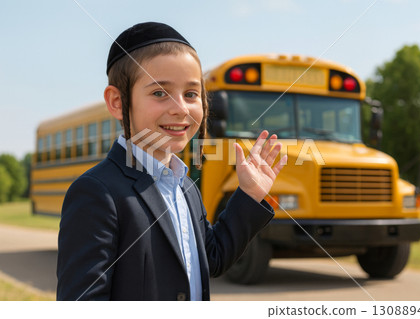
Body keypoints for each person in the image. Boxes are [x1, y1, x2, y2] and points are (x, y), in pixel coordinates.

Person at [56, 22, 287, 301]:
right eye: (159, 93)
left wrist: (249, 194)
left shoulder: (185, 187)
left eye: (191, 94)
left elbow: (212, 259)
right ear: (117, 102)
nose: (180, 109)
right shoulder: (97, 192)